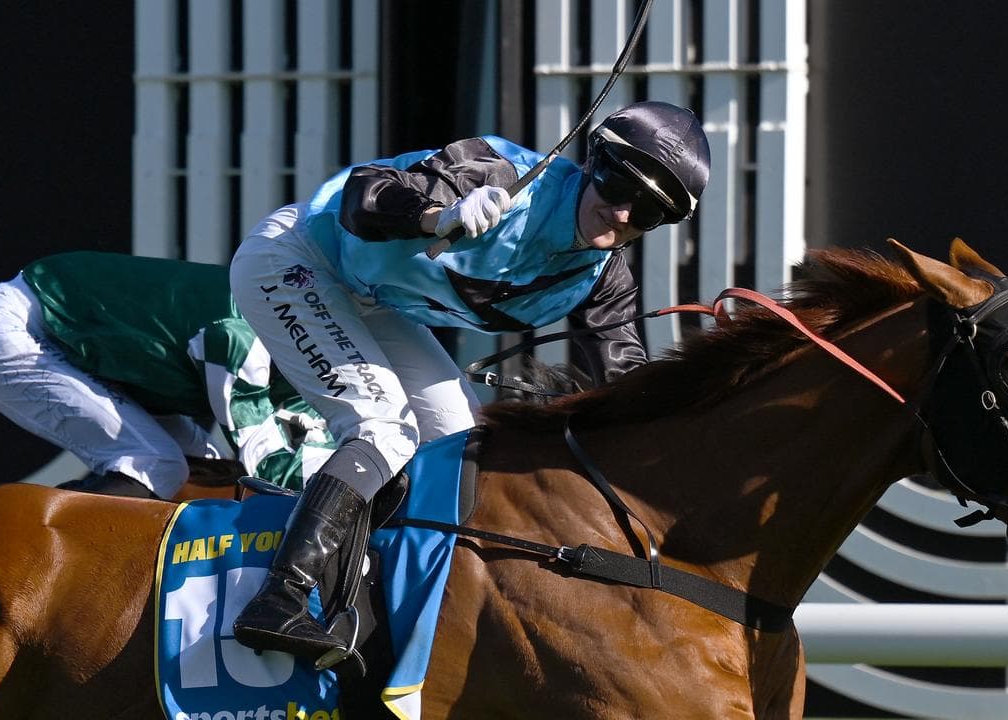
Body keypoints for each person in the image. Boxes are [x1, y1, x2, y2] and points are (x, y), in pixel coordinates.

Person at [229, 101, 711, 662]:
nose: (623, 214)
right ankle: (279, 597)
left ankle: (371, 593)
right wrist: (436, 216)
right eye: (617, 183)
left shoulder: (605, 279)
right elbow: (364, 194)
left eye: (649, 211)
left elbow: (630, 395)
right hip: (298, 257)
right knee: (384, 427)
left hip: (372, 300)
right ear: (592, 161)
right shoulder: (501, 173)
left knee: (459, 443)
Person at [0, 251, 334, 499]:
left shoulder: (296, 346)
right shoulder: (242, 334)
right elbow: (266, 465)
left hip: (63, 338)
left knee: (208, 471)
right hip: (14, 331)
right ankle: (28, 563)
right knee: (158, 464)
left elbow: (308, 449)